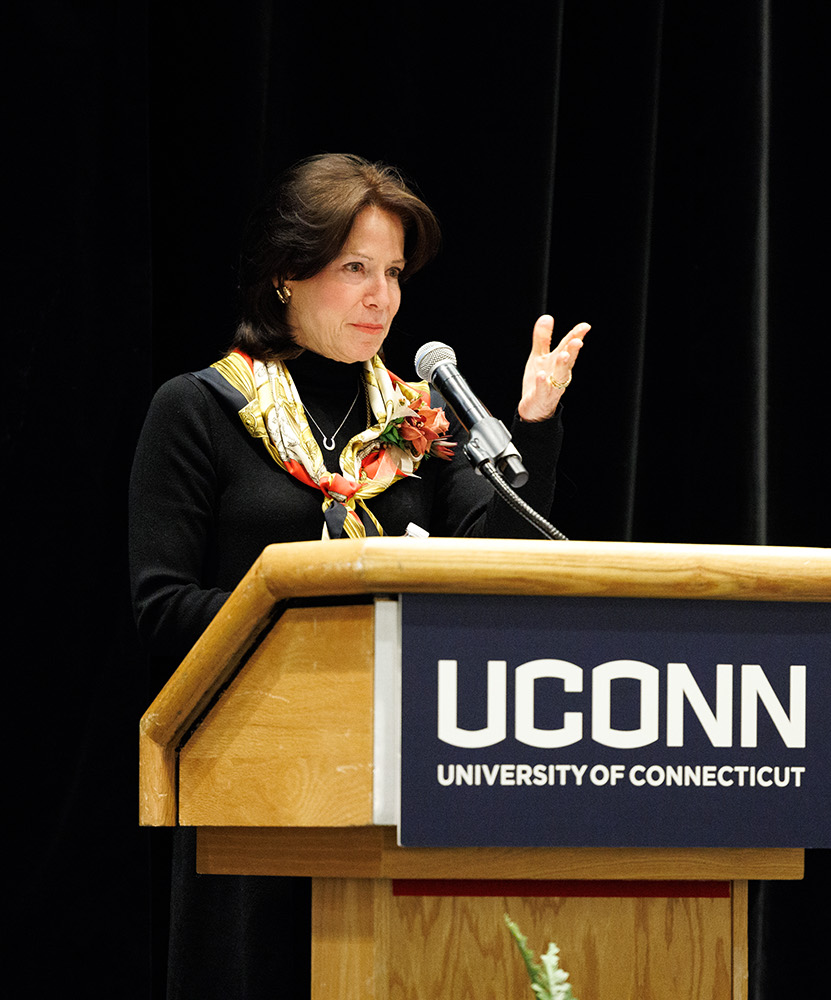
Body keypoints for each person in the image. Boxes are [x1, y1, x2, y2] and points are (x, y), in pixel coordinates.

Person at [128, 153, 589, 998]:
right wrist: (323, 612)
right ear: (284, 275)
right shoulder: (198, 411)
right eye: (354, 269)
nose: (383, 297)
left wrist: (533, 427)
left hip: (414, 773)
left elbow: (493, 559)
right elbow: (162, 608)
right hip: (260, 779)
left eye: (393, 273)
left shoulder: (418, 421)